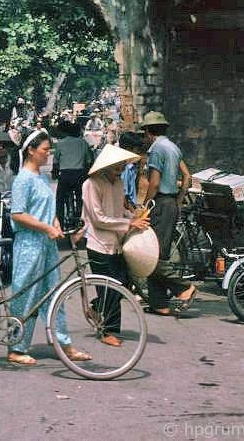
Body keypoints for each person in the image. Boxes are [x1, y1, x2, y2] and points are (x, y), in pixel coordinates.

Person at [7, 129, 91, 366]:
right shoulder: (22, 179)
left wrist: (55, 223)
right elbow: (18, 214)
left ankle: (64, 344)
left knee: (55, 294)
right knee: (25, 295)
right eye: (45, 150)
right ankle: (16, 346)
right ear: (31, 151)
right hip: (29, 244)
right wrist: (46, 228)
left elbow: (50, 209)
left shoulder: (43, 178)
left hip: (47, 244)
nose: (48, 155)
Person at [81, 143, 150, 346]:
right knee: (108, 289)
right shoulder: (91, 184)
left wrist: (134, 217)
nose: (120, 168)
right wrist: (129, 222)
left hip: (116, 242)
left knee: (122, 283)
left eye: (122, 164)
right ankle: (107, 331)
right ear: (106, 165)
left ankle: (95, 307)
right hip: (98, 243)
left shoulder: (118, 184)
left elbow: (119, 212)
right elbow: (98, 219)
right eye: (116, 164)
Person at [140, 111, 195, 315]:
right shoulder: (173, 147)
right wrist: (179, 201)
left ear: (148, 132)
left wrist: (145, 206)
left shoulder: (156, 150)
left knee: (153, 255)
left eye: (144, 133)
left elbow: (154, 182)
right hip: (171, 202)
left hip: (160, 203)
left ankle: (183, 288)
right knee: (157, 252)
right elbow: (187, 176)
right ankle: (159, 304)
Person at [52, 120, 94, 228]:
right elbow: (89, 161)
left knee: (60, 199)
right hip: (80, 174)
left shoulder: (60, 144)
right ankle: (82, 218)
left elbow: (56, 162)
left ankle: (60, 223)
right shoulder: (83, 143)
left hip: (65, 175)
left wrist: (55, 173)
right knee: (82, 197)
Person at [119, 132, 147, 211]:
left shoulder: (132, 167)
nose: (139, 152)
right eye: (137, 149)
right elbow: (123, 197)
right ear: (128, 149)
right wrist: (133, 214)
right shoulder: (125, 168)